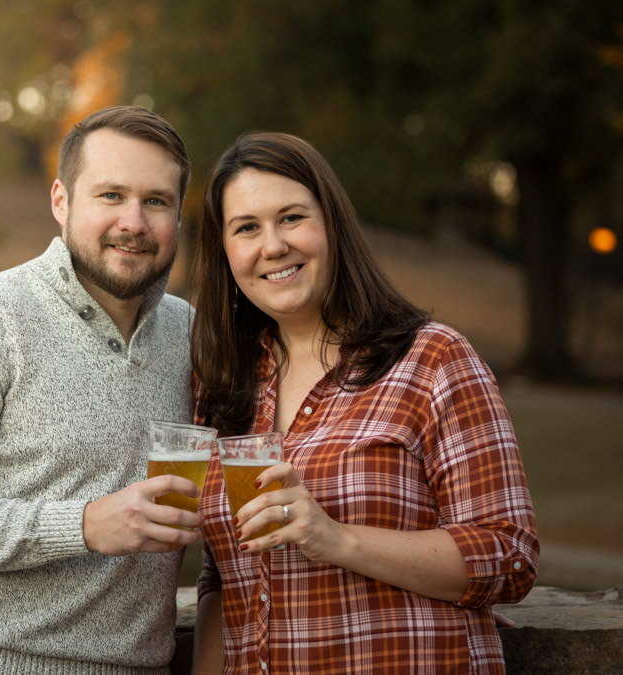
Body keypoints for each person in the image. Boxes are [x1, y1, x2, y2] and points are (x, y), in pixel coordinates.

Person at [189, 131, 539, 674]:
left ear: (332, 226)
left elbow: (508, 556)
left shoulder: (432, 359)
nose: (273, 245)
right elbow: (224, 578)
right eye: (247, 228)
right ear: (226, 251)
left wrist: (336, 538)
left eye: (292, 218)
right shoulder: (224, 386)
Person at [0, 106, 201, 675]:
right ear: (61, 201)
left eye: (156, 201)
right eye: (110, 195)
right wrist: (82, 525)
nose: (134, 222)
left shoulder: (190, 332)